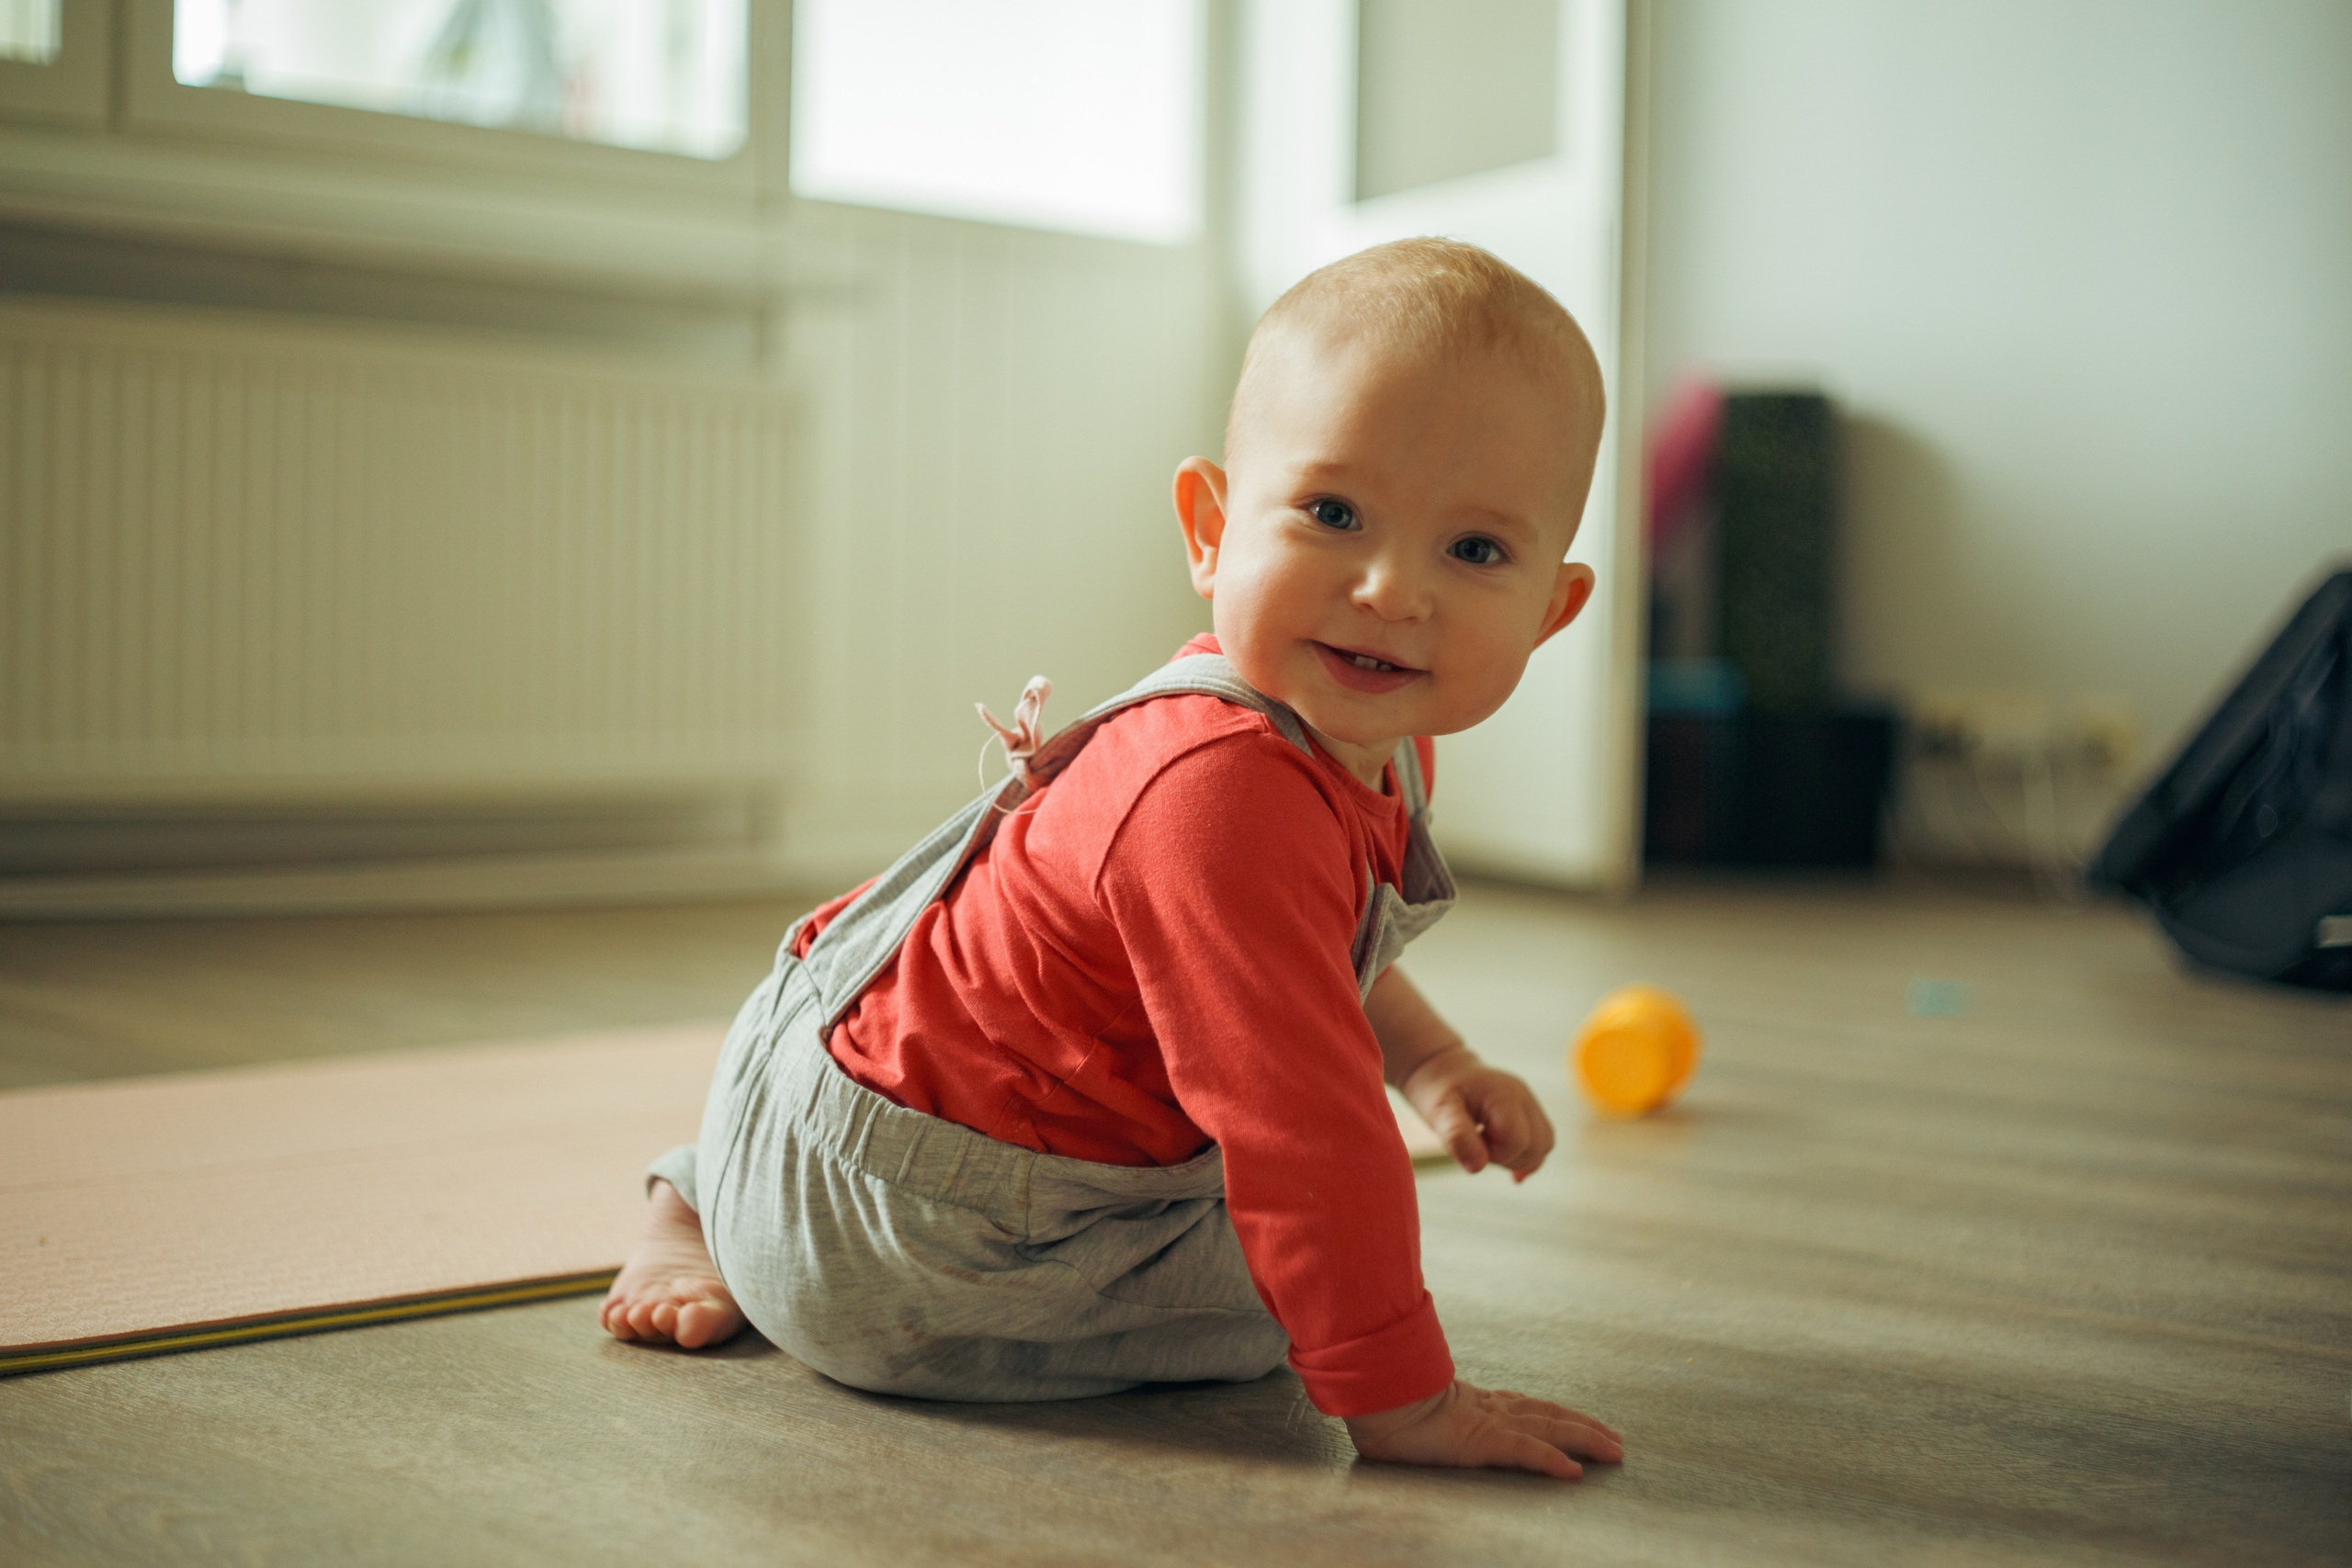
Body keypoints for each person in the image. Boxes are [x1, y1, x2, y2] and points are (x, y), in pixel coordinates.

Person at [601, 237, 1623, 1481]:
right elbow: (1305, 1129)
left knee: (1306, 1268)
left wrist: (1434, 1061)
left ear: (1549, 611)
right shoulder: (1221, 793)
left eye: (1474, 551)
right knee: (1288, 1292)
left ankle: (716, 1185)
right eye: (1334, 514)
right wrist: (1403, 1401)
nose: (1390, 589)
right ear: (1211, 528)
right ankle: (712, 1200)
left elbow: (1304, 962)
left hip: (971, 1153)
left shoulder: (1382, 739)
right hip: (903, 1235)